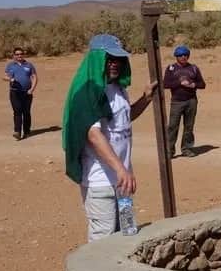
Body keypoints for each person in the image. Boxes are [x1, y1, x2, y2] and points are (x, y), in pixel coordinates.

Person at [62, 34, 159, 242]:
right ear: (98, 59)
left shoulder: (118, 89)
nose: (115, 64)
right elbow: (93, 134)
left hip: (122, 181)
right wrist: (120, 169)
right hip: (101, 182)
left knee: (127, 231)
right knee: (103, 238)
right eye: (109, 59)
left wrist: (145, 99)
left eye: (118, 59)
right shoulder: (88, 92)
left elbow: (124, 119)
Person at [162, 45, 206, 158]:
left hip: (191, 101)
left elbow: (202, 84)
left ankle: (187, 149)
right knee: (172, 126)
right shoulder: (171, 68)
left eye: (185, 55)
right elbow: (165, 84)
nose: (183, 57)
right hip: (177, 102)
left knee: (189, 127)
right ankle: (169, 151)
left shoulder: (193, 68)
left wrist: (193, 85)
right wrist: (179, 83)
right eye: (180, 55)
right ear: (176, 57)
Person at [3, 47, 37, 140]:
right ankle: (17, 131)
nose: (19, 56)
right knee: (17, 111)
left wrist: (32, 89)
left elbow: (34, 77)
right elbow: (5, 76)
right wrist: (10, 79)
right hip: (15, 92)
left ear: (23, 55)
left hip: (27, 92)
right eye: (17, 54)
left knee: (26, 112)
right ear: (14, 55)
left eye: (21, 54)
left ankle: (27, 131)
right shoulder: (10, 65)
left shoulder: (29, 65)